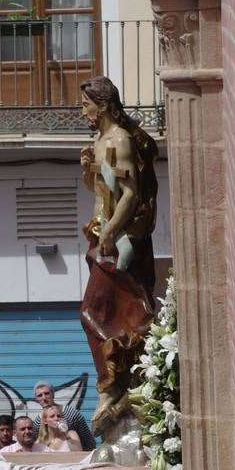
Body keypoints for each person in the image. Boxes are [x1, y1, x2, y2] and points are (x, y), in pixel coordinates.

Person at [80, 76, 158, 432]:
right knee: (113, 314)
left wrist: (111, 232)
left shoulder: (118, 140)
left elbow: (129, 193)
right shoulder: (100, 141)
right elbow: (103, 188)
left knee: (93, 312)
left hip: (118, 240)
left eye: (86, 103)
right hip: (101, 234)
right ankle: (121, 382)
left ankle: (110, 386)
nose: (82, 110)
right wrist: (87, 172)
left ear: (104, 105)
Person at [31, 381, 95, 451]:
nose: (44, 398)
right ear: (36, 399)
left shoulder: (71, 413)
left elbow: (87, 438)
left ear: (53, 394)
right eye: (40, 395)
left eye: (47, 394)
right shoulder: (38, 421)